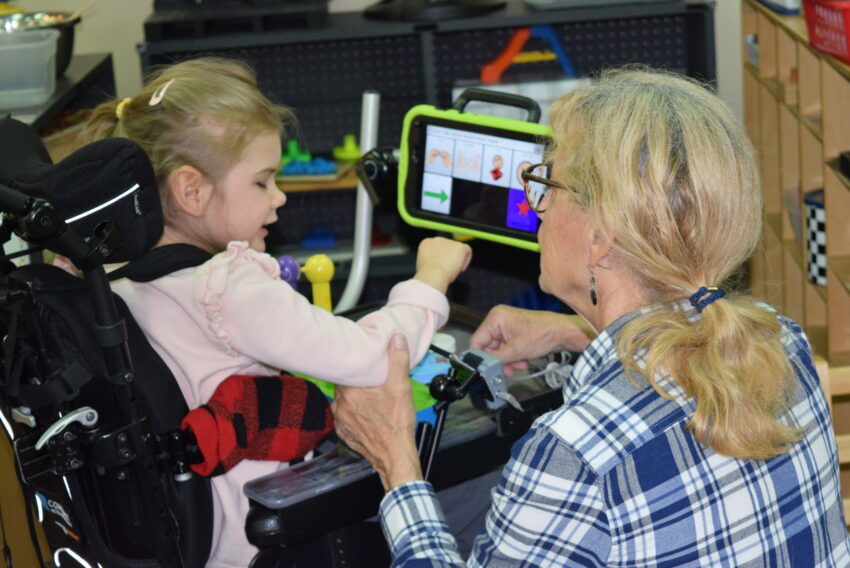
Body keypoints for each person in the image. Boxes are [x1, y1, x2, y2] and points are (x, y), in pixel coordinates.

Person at [331, 67, 850, 566]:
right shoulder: (779, 340)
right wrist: (574, 329)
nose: (535, 206)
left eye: (545, 184)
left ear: (600, 236)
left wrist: (397, 462)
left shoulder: (572, 454)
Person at [78, 56, 472, 568]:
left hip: (201, 542)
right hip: (269, 544)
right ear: (191, 190)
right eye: (263, 182)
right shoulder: (226, 286)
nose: (279, 198)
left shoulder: (121, 278)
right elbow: (374, 355)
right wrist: (429, 281)